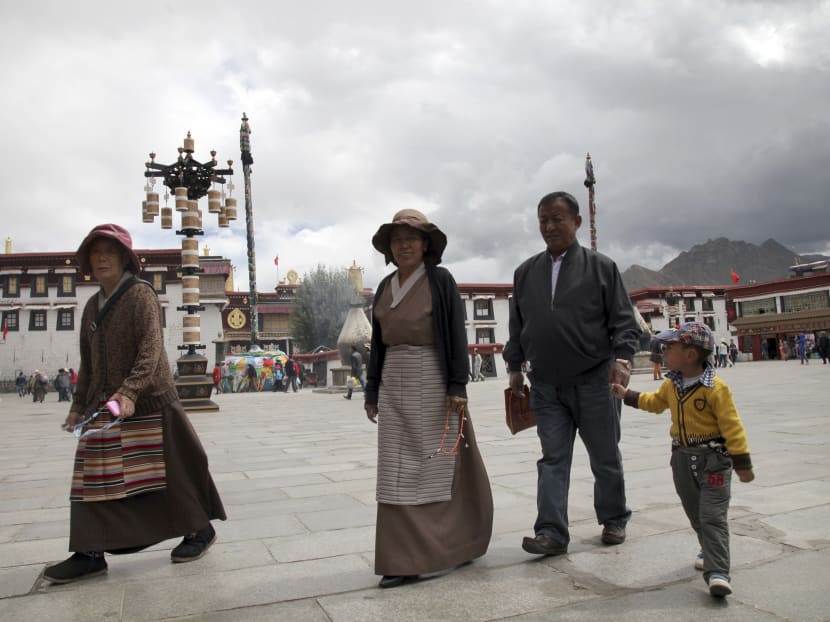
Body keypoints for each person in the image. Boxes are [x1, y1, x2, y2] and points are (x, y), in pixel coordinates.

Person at [44, 223, 225, 584]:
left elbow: (151, 349)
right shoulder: (91, 308)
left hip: (151, 401)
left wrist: (130, 392)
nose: (101, 259)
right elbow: (88, 363)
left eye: (109, 252)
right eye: (95, 254)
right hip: (104, 407)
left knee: (173, 474)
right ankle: (89, 553)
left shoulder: (140, 295)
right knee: (92, 479)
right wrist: (78, 406)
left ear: (125, 258)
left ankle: (200, 529)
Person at [503, 190, 640, 557]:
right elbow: (518, 325)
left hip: (596, 380)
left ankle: (614, 518)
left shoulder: (602, 268)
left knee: (605, 456)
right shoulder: (525, 273)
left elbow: (624, 321)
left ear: (577, 222)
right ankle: (551, 532)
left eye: (557, 219)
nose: (549, 226)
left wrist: (623, 360)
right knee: (552, 459)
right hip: (546, 385)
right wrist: (514, 367)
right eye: (543, 220)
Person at [365, 209, 493, 589]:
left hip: (433, 379)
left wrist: (457, 385)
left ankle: (455, 544)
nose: (403, 245)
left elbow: (455, 332)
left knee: (435, 465)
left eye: (411, 238)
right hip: (394, 381)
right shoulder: (385, 286)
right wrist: (372, 390)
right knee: (395, 470)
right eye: (396, 239)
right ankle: (401, 558)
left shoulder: (440, 280)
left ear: (425, 245)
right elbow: (378, 345)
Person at [611, 322, 754, 597]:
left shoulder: (716, 389)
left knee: (712, 515)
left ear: (690, 355)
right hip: (682, 460)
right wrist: (626, 395)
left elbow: (732, 427)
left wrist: (742, 464)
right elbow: (655, 403)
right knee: (695, 512)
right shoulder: (671, 385)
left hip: (714, 460)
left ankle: (718, 572)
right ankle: (708, 548)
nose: (663, 351)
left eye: (670, 347)